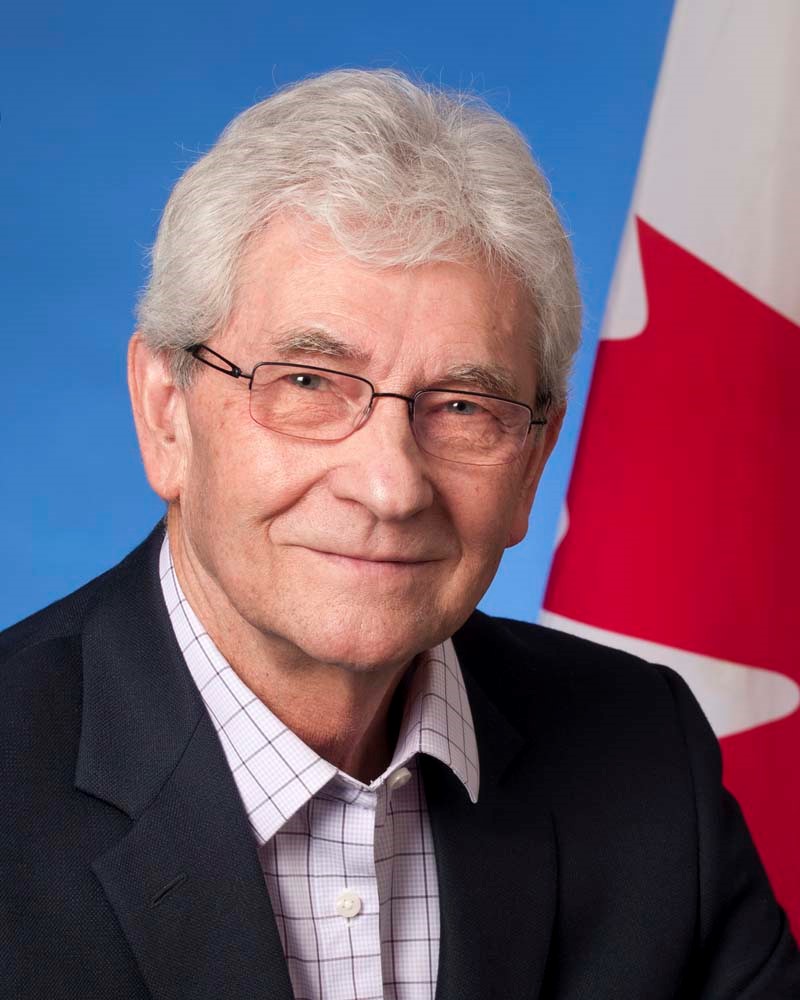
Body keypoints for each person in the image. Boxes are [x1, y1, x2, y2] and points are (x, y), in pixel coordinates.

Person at [2, 69, 798, 1000]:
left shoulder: (644, 755)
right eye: (307, 382)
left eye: (463, 406)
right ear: (165, 413)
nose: (389, 487)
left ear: (533, 463)